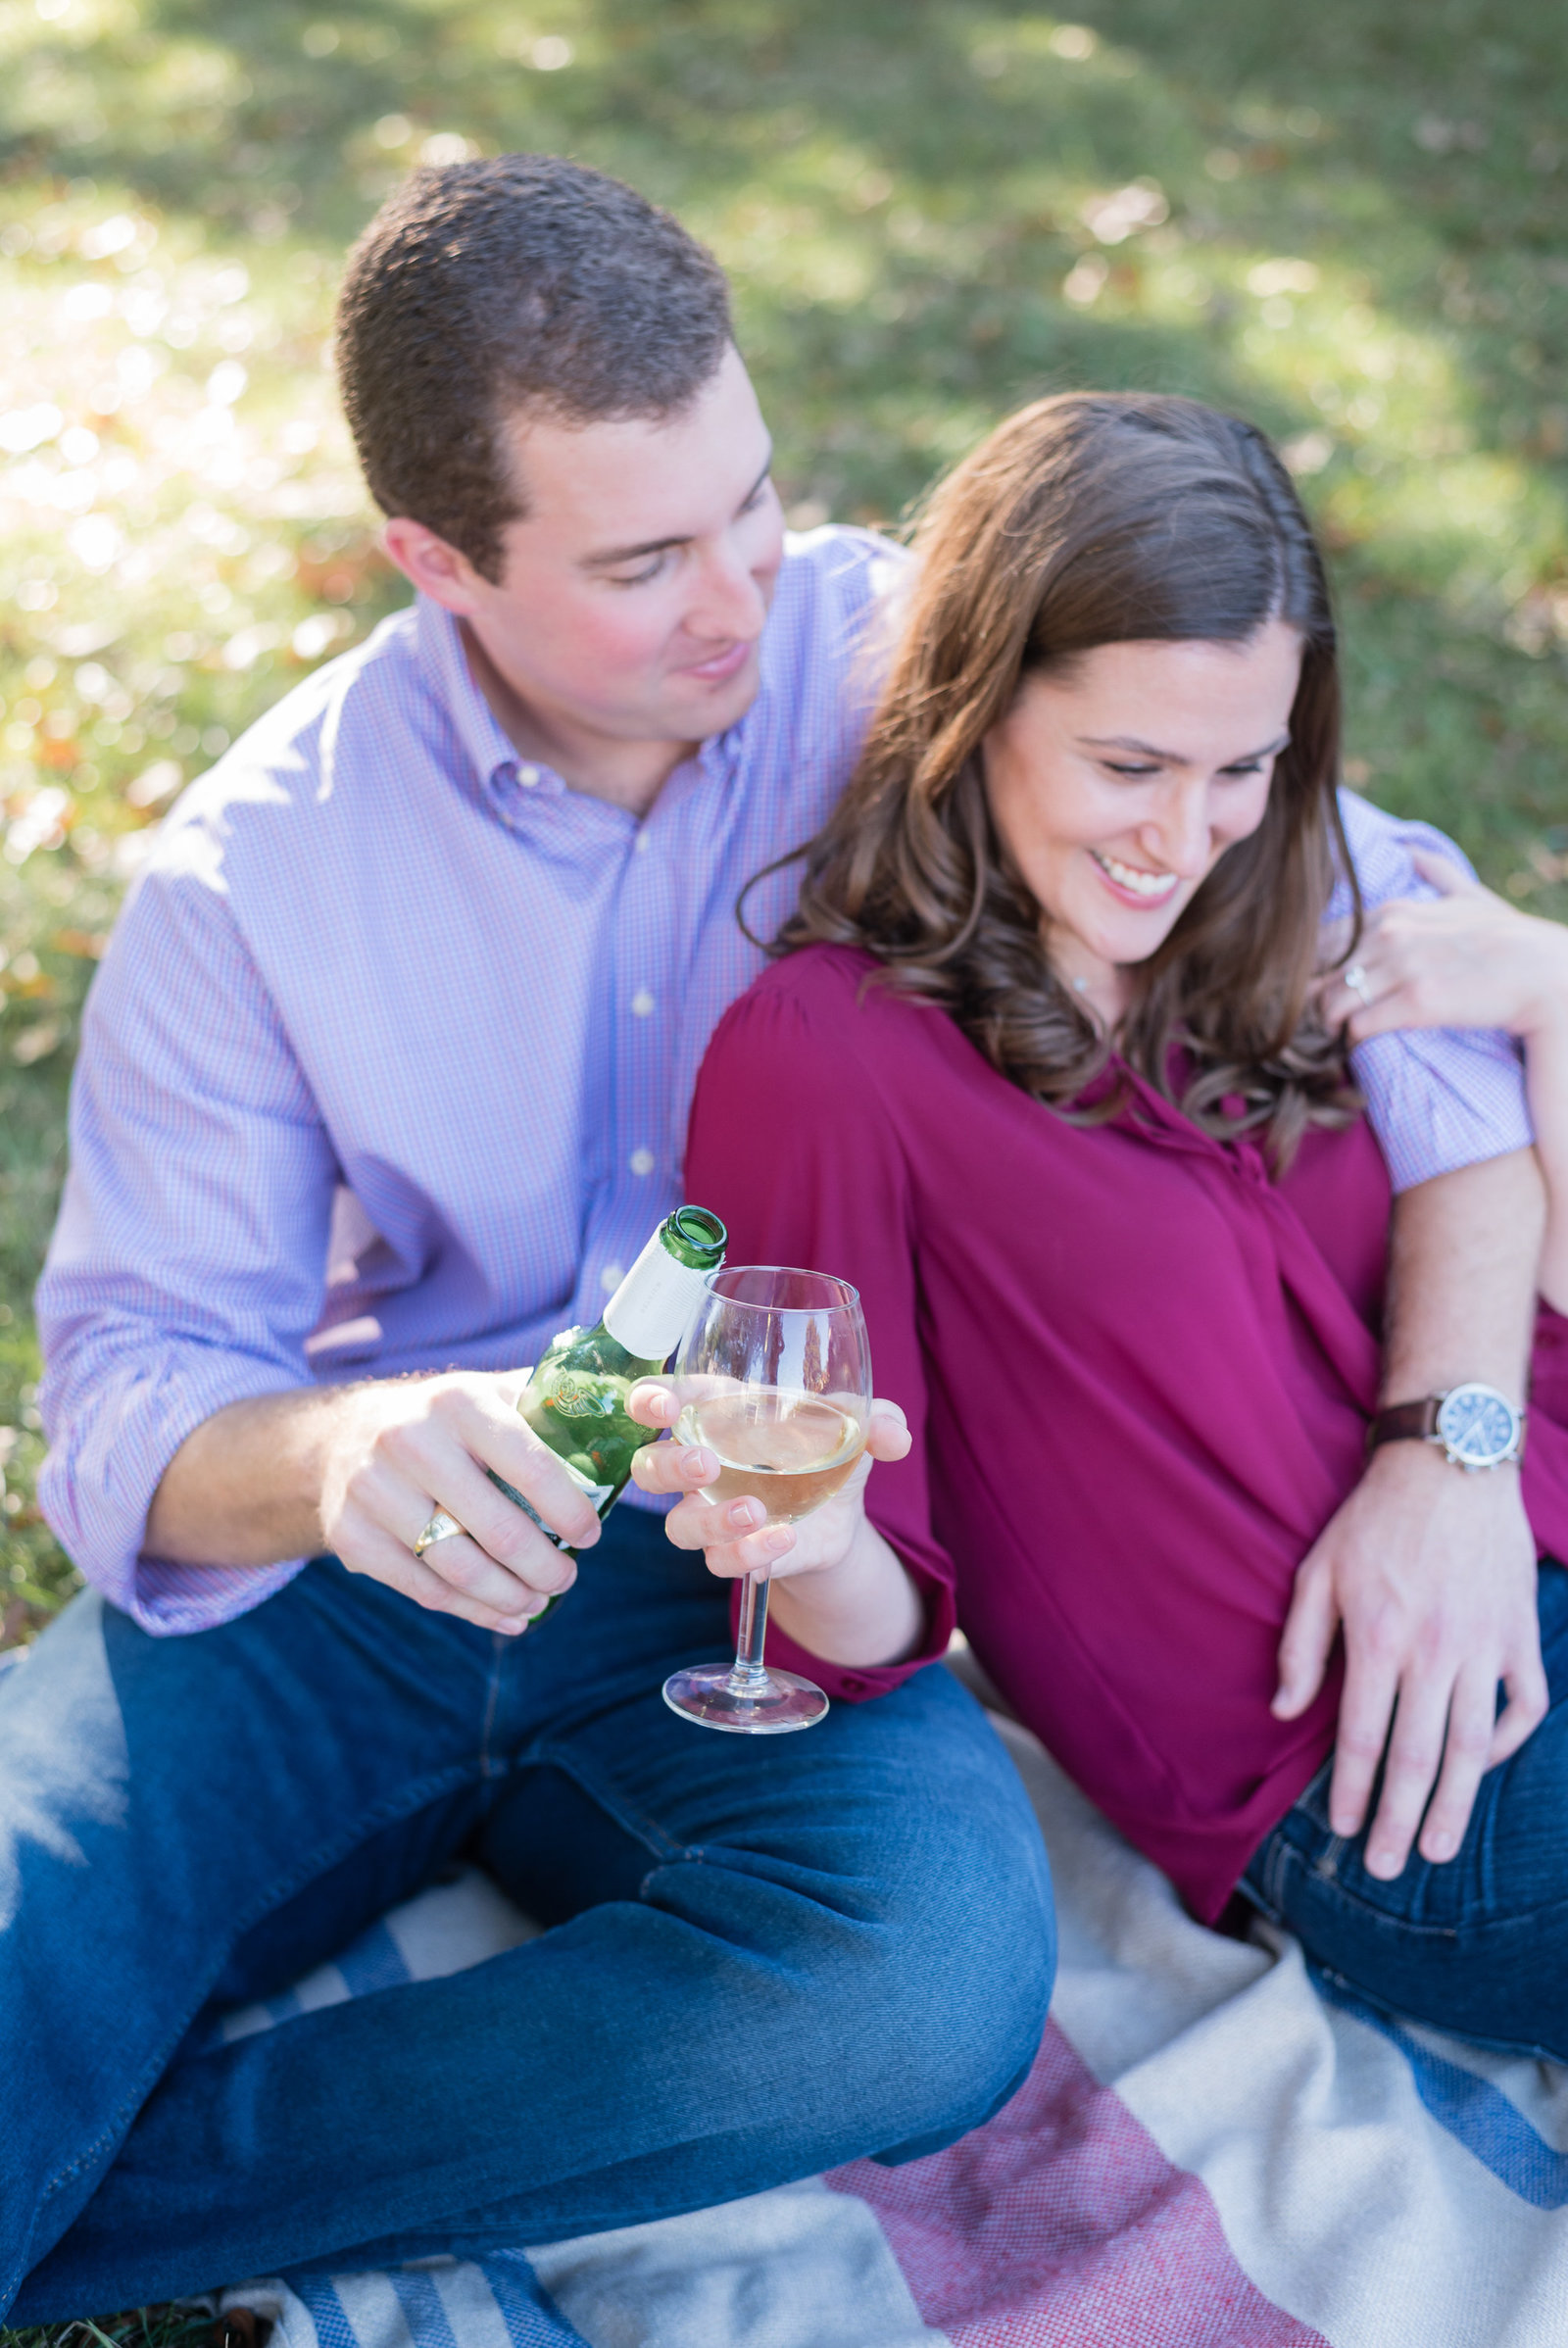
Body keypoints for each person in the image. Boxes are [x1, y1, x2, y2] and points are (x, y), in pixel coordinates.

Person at [0, 159, 1543, 2311]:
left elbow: (1406, 972)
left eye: (751, 501)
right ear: (433, 560)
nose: (742, 593)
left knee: (909, 1993)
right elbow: (131, 1394)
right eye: (644, 560)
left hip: (769, 1554)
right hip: (371, 1553)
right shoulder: (256, 876)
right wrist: (345, 1457)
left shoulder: (917, 657)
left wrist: (1442, 1442)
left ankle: (115, 2208)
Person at [671, 390, 1568, 2056]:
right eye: (1128, 765)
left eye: (1244, 764)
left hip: (1521, 1527)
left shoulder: (1284, 872)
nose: (1183, 834)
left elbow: (1485, 1152)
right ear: (980, 698)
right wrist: (801, 1542)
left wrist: (1442, 1461)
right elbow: (884, 1615)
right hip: (1396, 1763)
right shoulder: (830, 1053)